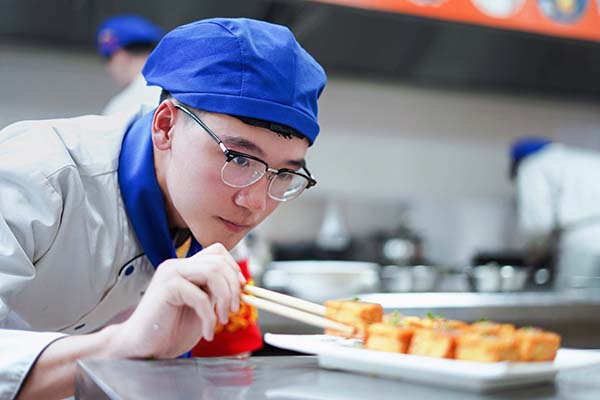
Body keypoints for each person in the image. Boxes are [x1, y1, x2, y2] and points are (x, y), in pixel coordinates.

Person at [0, 17, 326, 399]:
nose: (255, 203)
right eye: (238, 159)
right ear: (166, 126)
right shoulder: (36, 175)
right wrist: (120, 346)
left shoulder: (218, 233)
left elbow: (228, 366)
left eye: (284, 174)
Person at [510, 137, 600, 289]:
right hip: (586, 238)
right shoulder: (589, 158)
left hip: (582, 244)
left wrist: (535, 255)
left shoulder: (532, 165)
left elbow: (538, 224)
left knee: (577, 299)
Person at [96, 14, 164, 116]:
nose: (108, 68)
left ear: (120, 56)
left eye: (107, 58)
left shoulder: (122, 107)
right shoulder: (177, 89)